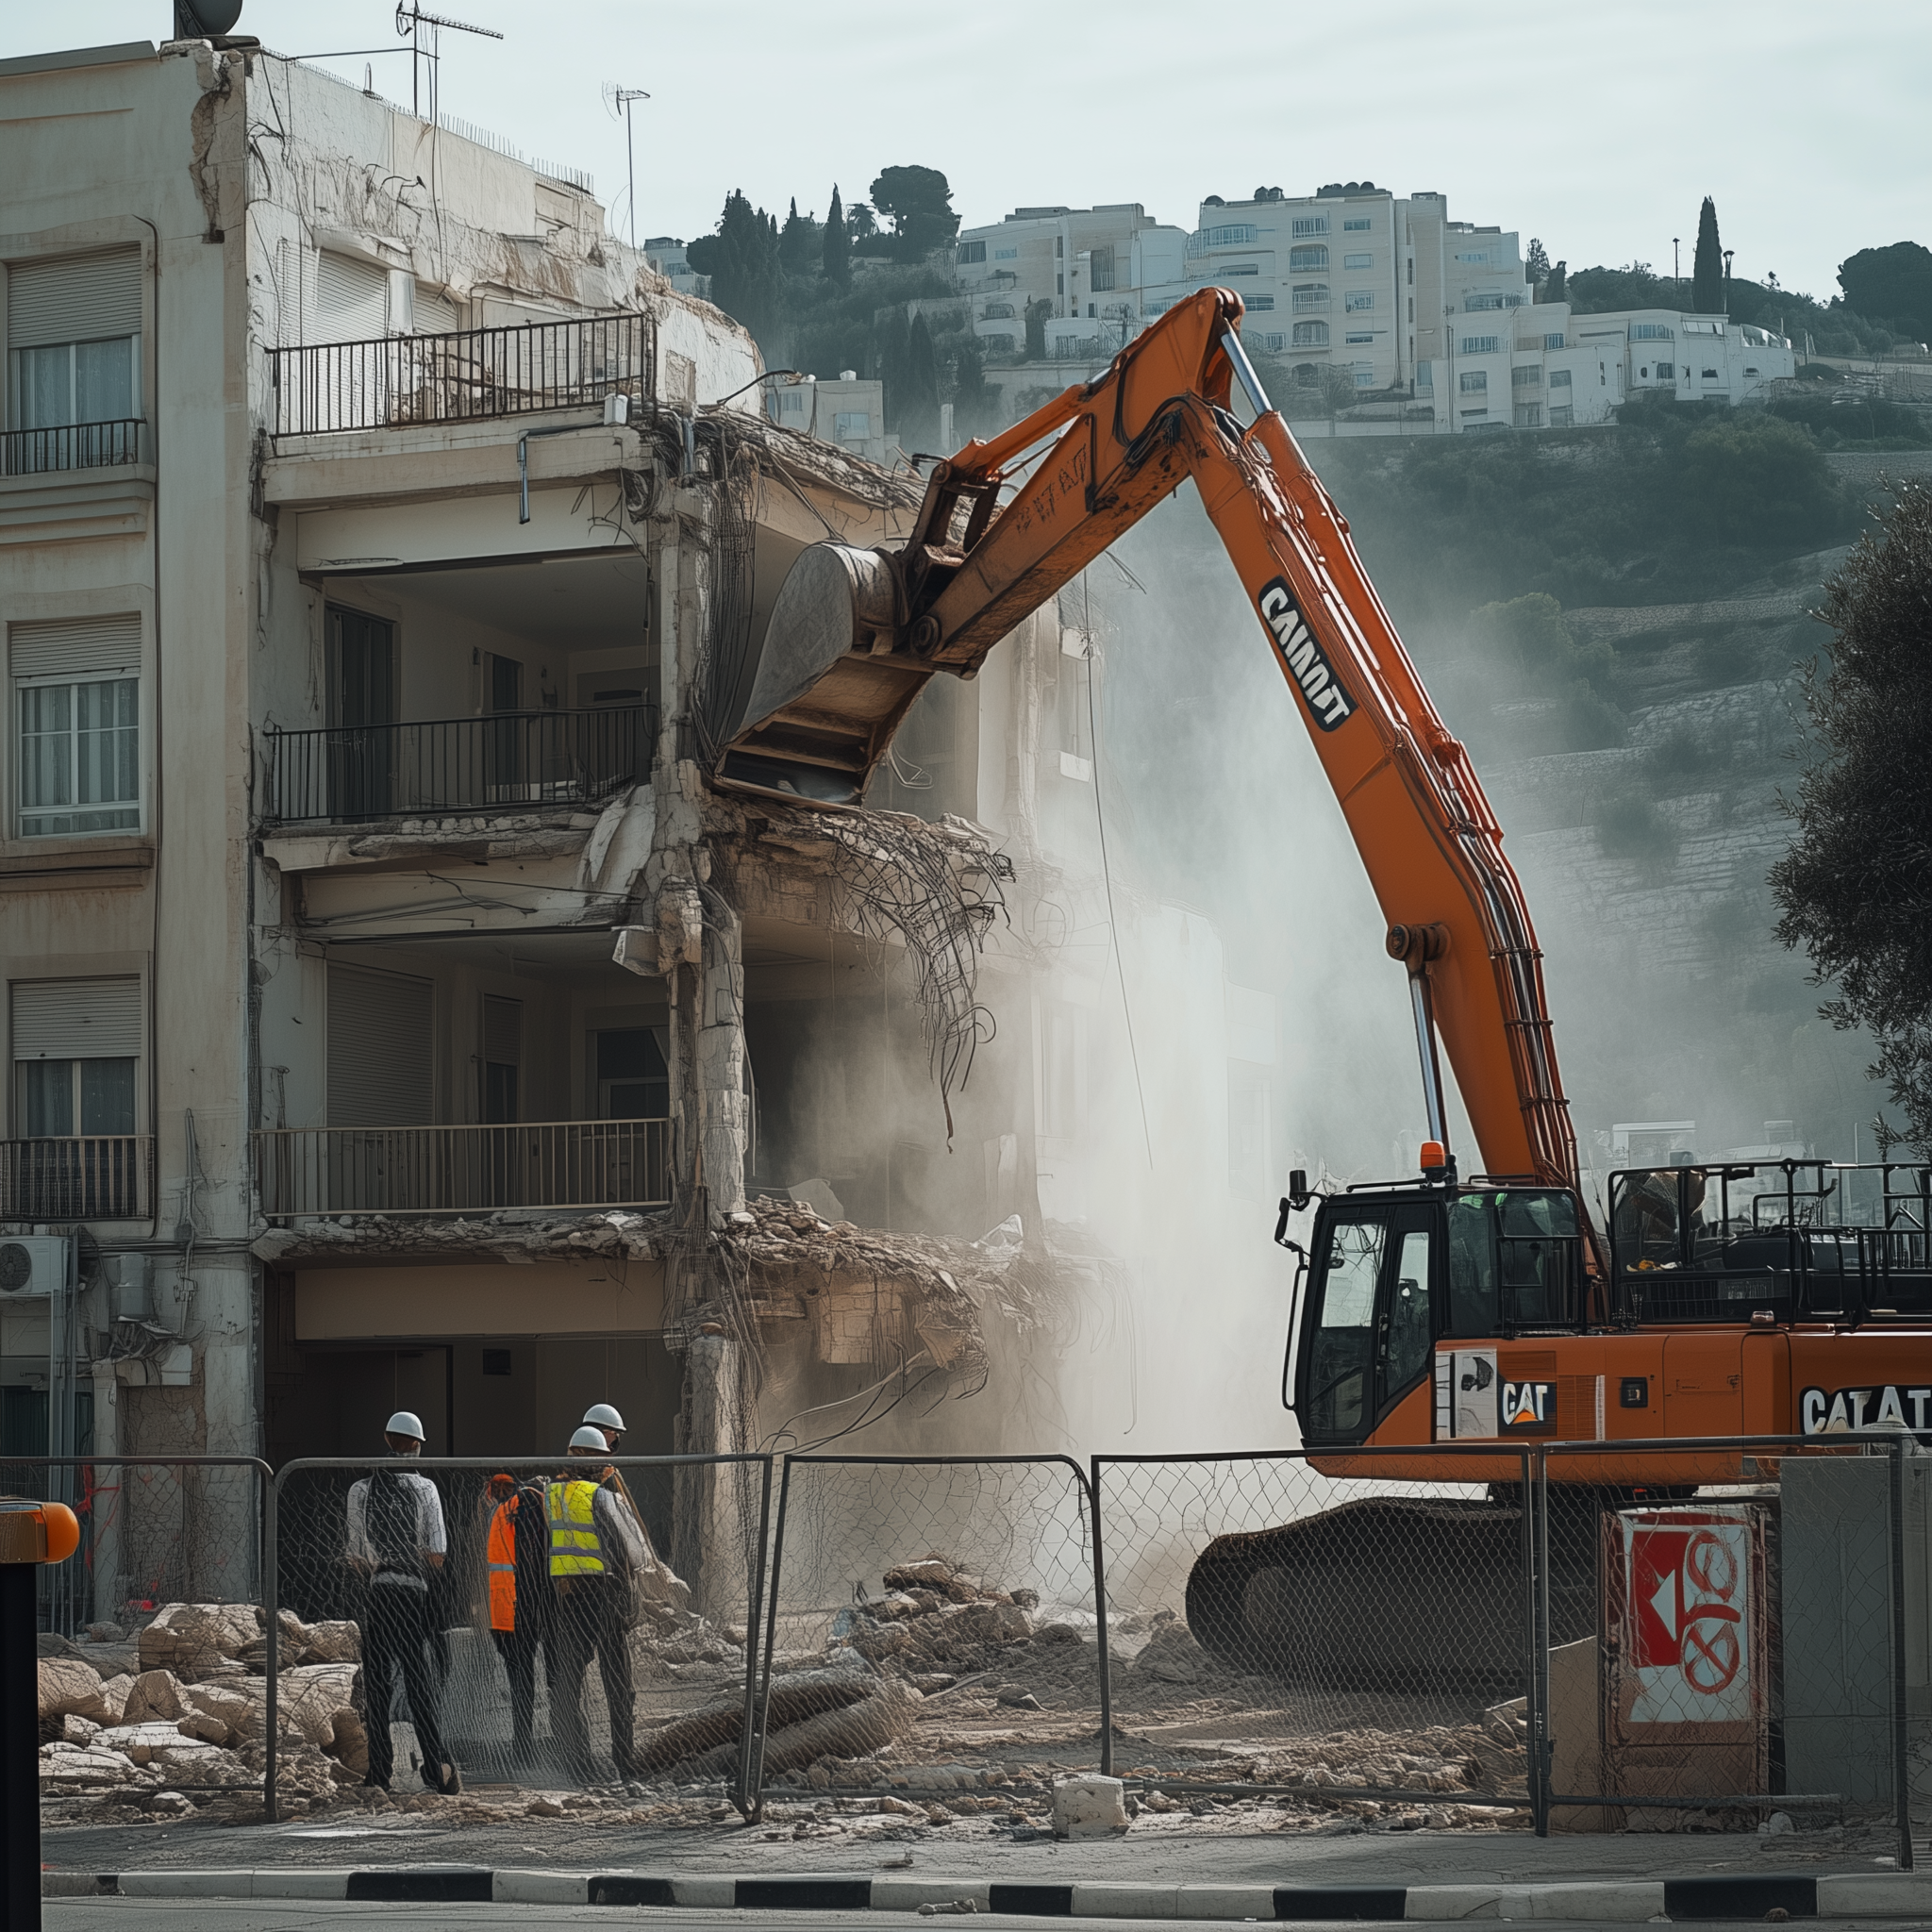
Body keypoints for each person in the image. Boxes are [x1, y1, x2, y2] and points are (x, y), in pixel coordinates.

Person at [345, 1411, 461, 1795]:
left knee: (378, 1685)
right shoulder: (425, 1489)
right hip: (414, 1594)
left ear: (386, 1438)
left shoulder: (361, 1490)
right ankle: (436, 1768)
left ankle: (380, 1771)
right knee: (419, 1682)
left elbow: (357, 1557)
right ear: (416, 1445)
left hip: (379, 1593)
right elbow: (437, 1553)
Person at [547, 1424, 647, 1783]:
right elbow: (636, 1554)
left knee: (569, 1684)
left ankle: (577, 1764)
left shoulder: (551, 1494)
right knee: (618, 1684)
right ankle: (624, 1764)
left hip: (571, 1597)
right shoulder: (601, 1496)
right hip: (606, 1595)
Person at [481, 1471, 552, 1766]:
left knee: (520, 1680)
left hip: (507, 1610)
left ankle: (522, 1747)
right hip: (531, 1604)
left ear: (498, 1489)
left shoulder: (507, 1510)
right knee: (537, 1679)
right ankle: (536, 1747)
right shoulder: (529, 1504)